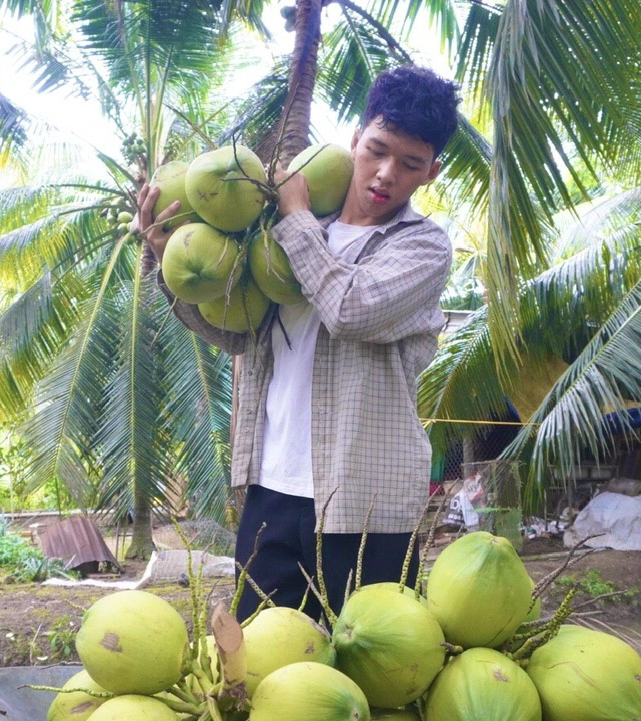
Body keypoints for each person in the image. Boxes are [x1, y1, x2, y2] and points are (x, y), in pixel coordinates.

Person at [136, 65, 460, 625]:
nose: (385, 174)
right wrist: (164, 257)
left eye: (409, 164)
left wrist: (295, 217)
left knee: (370, 674)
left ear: (430, 172)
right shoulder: (280, 232)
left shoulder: (422, 247)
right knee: (264, 663)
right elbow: (235, 334)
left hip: (366, 504)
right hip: (272, 490)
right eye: (376, 151)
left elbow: (350, 309)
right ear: (355, 140)